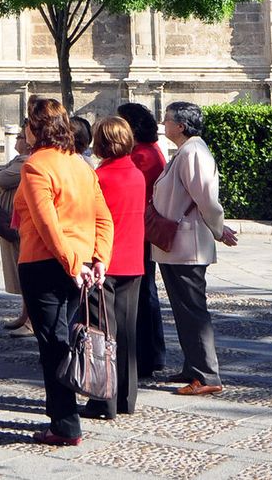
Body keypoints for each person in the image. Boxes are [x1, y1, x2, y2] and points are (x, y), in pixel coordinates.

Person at [13, 96, 113, 447]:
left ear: (34, 127)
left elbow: (47, 225)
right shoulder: (81, 164)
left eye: (27, 122)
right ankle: (61, 415)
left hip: (46, 264)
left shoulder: (36, 165)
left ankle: (65, 424)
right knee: (61, 340)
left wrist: (72, 264)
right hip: (80, 263)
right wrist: (98, 259)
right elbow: (103, 217)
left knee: (53, 345)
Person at [151, 101, 238, 397]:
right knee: (183, 309)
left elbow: (206, 199)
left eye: (167, 120)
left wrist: (218, 229)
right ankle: (193, 367)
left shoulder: (194, 152)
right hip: (178, 245)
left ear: (181, 126)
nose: (163, 124)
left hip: (187, 244)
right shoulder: (186, 151)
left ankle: (207, 374)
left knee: (193, 310)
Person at [84, 115, 147, 420]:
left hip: (105, 261)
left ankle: (102, 398)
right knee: (127, 333)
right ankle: (126, 397)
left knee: (103, 334)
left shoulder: (100, 177)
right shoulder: (137, 174)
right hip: (133, 261)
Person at [117, 101, 168, 381]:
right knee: (147, 293)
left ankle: (146, 355)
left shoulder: (141, 156)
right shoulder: (149, 150)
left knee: (142, 295)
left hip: (139, 231)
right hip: (144, 230)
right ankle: (153, 353)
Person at [0, 127, 33, 338]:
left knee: (24, 269)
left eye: (20, 136)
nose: (17, 140)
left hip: (17, 223)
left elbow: (2, 179)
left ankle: (30, 318)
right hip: (12, 220)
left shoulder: (25, 162)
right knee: (20, 268)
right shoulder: (18, 161)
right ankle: (25, 315)